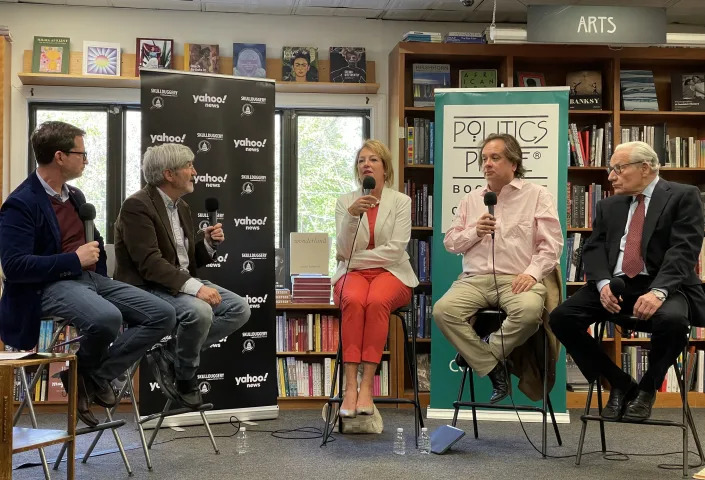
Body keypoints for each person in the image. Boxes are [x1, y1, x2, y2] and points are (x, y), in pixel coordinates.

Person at [0, 121, 176, 426]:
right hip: (48, 286)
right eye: (81, 153)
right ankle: (89, 376)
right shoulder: (20, 204)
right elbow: (14, 266)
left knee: (163, 314)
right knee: (107, 318)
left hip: (90, 280)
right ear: (59, 156)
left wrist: (99, 275)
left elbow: (93, 246)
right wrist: (72, 260)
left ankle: (88, 375)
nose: (85, 159)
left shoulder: (76, 196)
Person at [550, 141, 705, 422]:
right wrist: (602, 284)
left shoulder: (683, 195)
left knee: (673, 323)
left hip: (666, 285)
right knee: (562, 317)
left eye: (618, 169)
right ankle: (620, 383)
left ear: (645, 168)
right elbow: (594, 248)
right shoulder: (609, 205)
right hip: (617, 285)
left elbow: (684, 249)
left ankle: (646, 389)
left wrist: (658, 291)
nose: (611, 177)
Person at [114, 143, 251, 409]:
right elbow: (149, 264)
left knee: (239, 309)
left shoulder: (182, 207)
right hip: (148, 287)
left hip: (177, 282)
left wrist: (208, 244)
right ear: (169, 174)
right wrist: (196, 289)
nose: (195, 171)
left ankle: (170, 354)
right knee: (199, 312)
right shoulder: (136, 206)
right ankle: (186, 378)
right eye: (188, 166)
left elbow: (185, 260)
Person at [432, 133, 563, 403]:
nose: (487, 164)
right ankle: (494, 368)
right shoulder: (472, 199)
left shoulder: (538, 196)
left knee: (528, 312)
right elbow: (451, 243)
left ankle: (483, 355)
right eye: (484, 159)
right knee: (443, 311)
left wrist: (532, 273)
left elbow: (552, 245)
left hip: (517, 278)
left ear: (513, 163)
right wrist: (474, 232)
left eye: (495, 158)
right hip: (474, 280)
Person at [333, 139, 418, 417]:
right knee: (354, 299)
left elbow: (395, 250)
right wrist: (351, 217)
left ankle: (367, 386)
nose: (366, 164)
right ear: (358, 170)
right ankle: (350, 388)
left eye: (373, 160)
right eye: (361, 161)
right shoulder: (345, 202)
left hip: (392, 273)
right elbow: (343, 249)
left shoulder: (401, 201)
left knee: (377, 300)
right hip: (353, 276)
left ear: (385, 169)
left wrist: (353, 260)